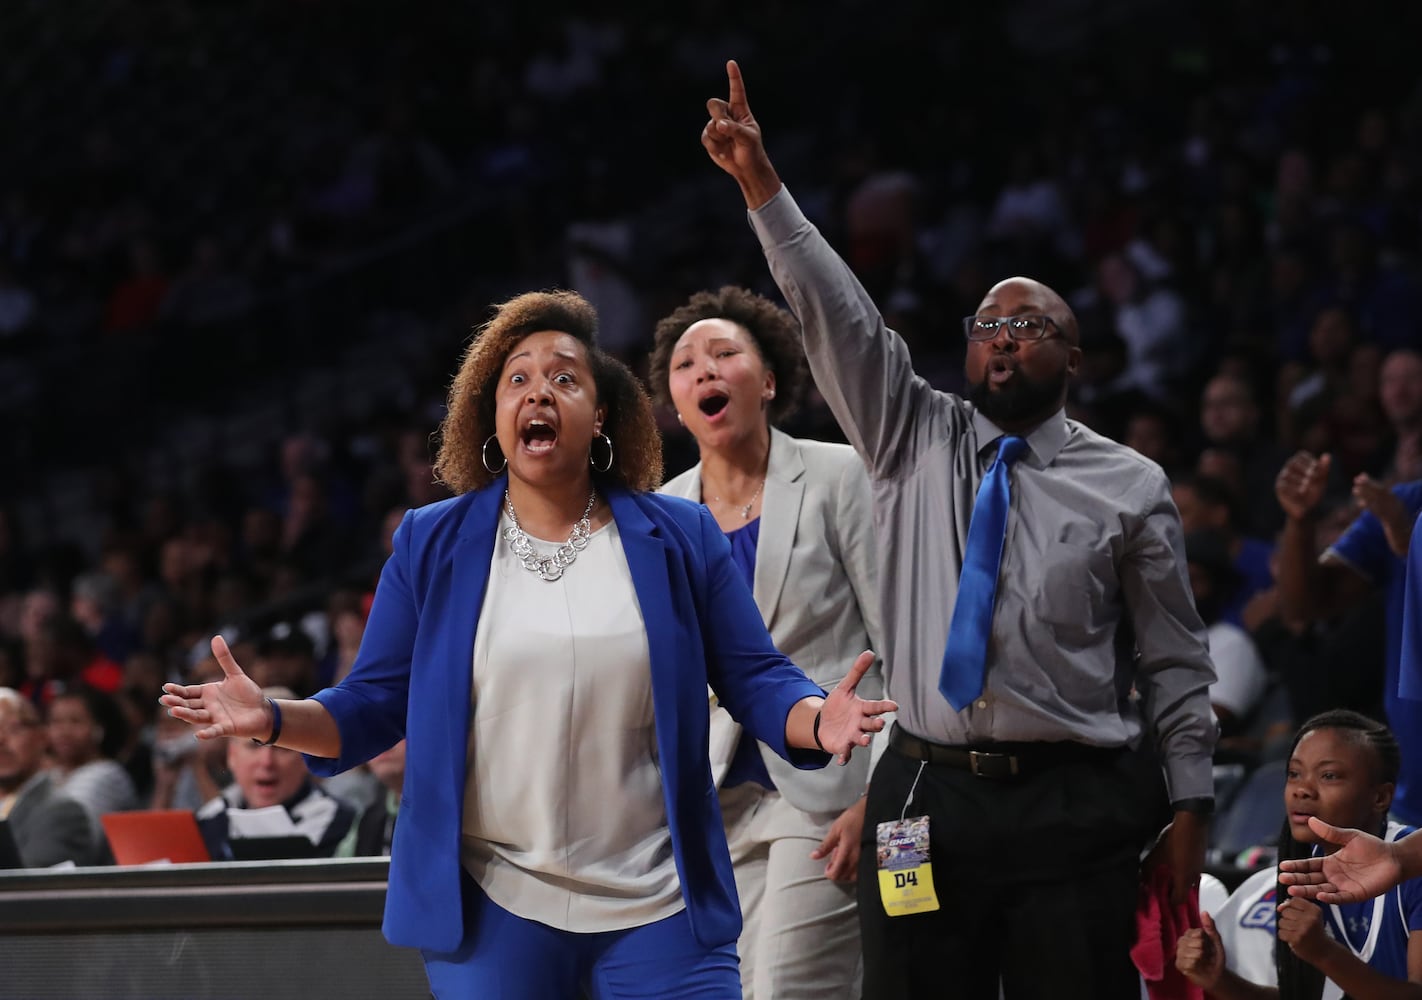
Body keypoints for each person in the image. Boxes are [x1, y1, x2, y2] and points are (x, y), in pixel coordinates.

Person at [161, 289, 895, 999]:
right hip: (495, 897)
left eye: (563, 378)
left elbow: (754, 675)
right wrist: (274, 719)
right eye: (518, 379)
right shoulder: (432, 541)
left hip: (658, 896)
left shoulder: (677, 535)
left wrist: (814, 716)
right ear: (494, 414)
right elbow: (373, 705)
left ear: (600, 416)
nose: (538, 392)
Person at [701, 61, 1217, 1000]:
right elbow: (841, 319)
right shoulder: (909, 432)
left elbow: (1174, 662)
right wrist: (763, 189)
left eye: (1032, 323)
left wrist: (1192, 802)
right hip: (920, 800)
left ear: (1074, 356)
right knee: (906, 990)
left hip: (1073, 797)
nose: (1005, 335)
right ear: (968, 349)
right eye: (988, 323)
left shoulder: (1130, 484)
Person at [651, 285, 882, 999]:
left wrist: (881, 796)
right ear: (676, 401)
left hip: (824, 793)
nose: (706, 371)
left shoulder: (839, 475)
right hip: (714, 806)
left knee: (786, 989)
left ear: (771, 379)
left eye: (726, 354)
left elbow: (905, 641)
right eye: (687, 365)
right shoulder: (659, 515)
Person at [1176, 710, 1421, 999]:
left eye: (1329, 776)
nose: (1302, 790)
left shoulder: (1413, 867)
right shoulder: (1305, 870)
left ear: (1380, 797)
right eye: (1294, 774)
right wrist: (1219, 980)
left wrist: (1323, 952)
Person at [1274, 452, 1422, 822]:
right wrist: (1300, 520)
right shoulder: (1403, 503)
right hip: (1411, 795)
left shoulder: (1401, 519)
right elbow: (1304, 604)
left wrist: (1412, 549)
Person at [195, 687, 357, 861]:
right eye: (253, 746)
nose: (267, 762)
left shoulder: (339, 821)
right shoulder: (207, 820)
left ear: (306, 757)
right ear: (231, 756)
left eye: (282, 749)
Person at [0, 688, 97, 867]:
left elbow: (28, 889)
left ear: (43, 737)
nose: (1, 739)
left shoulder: (62, 812)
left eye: (13, 728)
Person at [44, 686, 139, 831]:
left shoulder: (107, 774)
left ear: (99, 729)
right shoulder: (53, 773)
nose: (63, 732)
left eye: (75, 721)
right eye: (56, 722)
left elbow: (69, 830)